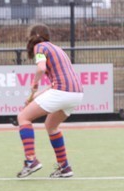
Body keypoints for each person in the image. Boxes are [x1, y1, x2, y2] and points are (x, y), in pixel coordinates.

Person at [15, 24, 84, 179]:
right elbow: (55, 82)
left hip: (62, 91)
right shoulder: (57, 49)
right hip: (76, 93)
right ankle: (64, 167)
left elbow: (41, 68)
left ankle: (31, 160)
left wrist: (34, 85)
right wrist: (36, 95)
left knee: (23, 117)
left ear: (32, 36)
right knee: (51, 126)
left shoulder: (39, 47)